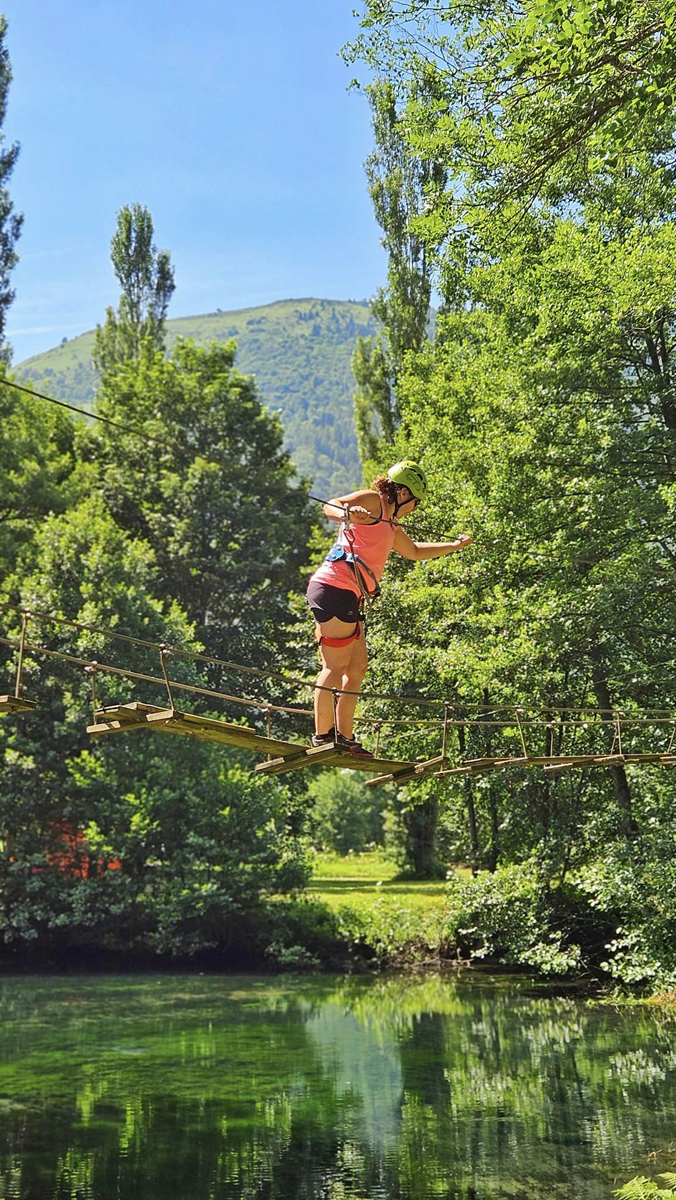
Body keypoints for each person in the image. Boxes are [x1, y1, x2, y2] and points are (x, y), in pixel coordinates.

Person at [306, 460, 472, 758]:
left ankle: (344, 737)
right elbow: (329, 506)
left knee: (356, 668)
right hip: (333, 588)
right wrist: (347, 513)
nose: (414, 510)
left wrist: (454, 546)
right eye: (416, 504)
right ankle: (322, 736)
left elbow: (416, 552)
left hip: (349, 596)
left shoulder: (391, 524)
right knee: (335, 667)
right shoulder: (374, 502)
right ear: (405, 493)